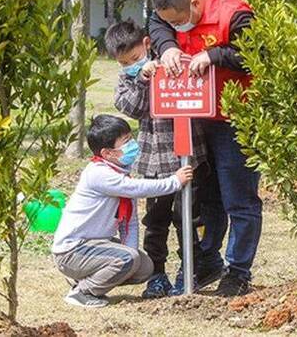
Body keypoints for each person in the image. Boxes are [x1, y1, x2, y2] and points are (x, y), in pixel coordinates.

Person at [148, 0, 262, 296]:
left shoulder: (234, 14)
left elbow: (257, 55)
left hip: (233, 116)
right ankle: (207, 259)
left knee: (238, 197)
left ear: (196, 4)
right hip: (195, 117)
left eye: (180, 22)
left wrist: (215, 55)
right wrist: (167, 46)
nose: (179, 27)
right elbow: (156, 23)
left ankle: (238, 271)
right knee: (204, 196)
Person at [106, 20, 222, 297]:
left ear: (146, 44)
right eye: (124, 63)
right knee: (155, 222)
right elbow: (132, 108)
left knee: (189, 220)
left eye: (134, 58)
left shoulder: (173, 60)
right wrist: (143, 78)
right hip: (153, 163)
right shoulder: (129, 79)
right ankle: (157, 274)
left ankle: (190, 271)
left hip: (188, 159)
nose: (130, 64)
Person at [52, 114, 193, 308]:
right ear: (108, 153)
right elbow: (137, 188)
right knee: (128, 259)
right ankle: (83, 291)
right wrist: (174, 182)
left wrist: (131, 254)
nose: (132, 144)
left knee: (144, 267)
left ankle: (86, 278)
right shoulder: (98, 173)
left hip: (96, 245)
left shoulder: (119, 172)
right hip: (73, 251)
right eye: (126, 141)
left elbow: (130, 222)